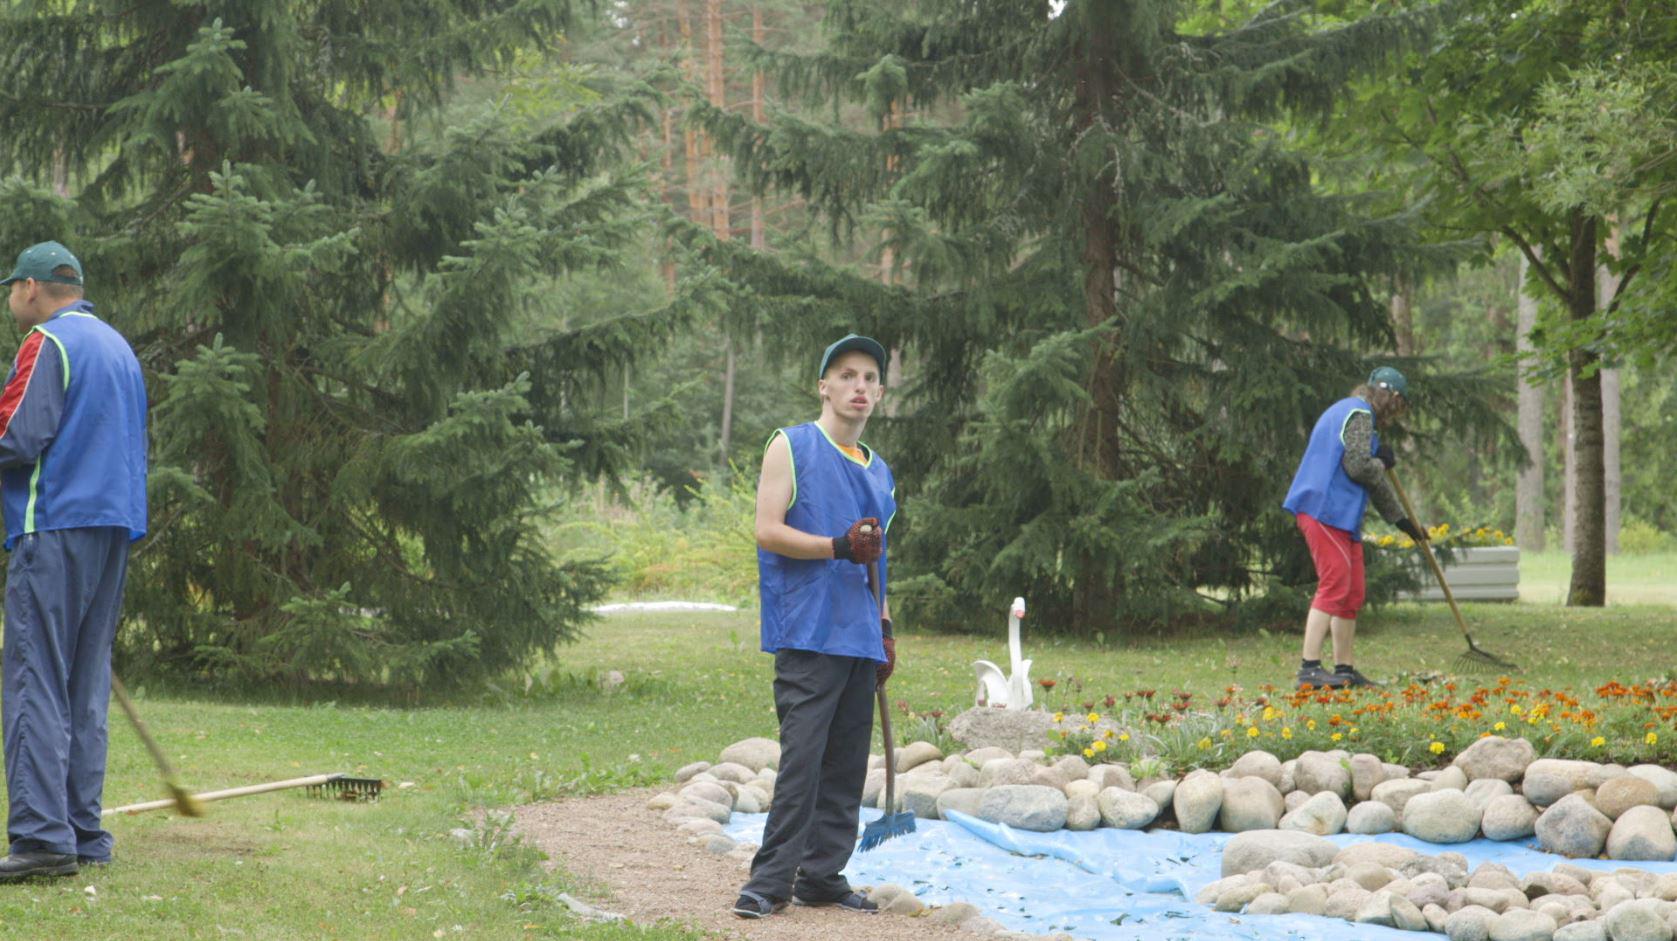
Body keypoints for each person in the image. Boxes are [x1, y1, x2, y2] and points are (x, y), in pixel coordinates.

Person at [732, 334, 896, 919]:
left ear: (880, 391)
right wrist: (835, 546)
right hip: (807, 629)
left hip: (857, 633)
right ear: (823, 386)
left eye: (870, 377)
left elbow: (879, 556)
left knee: (848, 762)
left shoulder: (880, 471)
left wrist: (885, 627)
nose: (860, 386)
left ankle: (822, 876)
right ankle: (768, 883)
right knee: (803, 759)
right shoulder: (792, 445)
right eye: (847, 375)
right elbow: (767, 529)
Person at [0, 241, 147, 881]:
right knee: (83, 686)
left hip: (55, 525)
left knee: (35, 676)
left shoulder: (47, 343)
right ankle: (83, 831)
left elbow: (16, 436)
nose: (10, 300)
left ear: (32, 288)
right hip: (111, 529)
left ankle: (40, 836)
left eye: (11, 288)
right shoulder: (119, 349)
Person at [1282, 367, 1419, 690]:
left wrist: (1402, 522)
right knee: (1335, 584)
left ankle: (1344, 669)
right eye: (1398, 406)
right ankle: (1309, 669)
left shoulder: (1360, 419)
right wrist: (1382, 462)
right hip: (1323, 509)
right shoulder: (1358, 413)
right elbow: (1358, 467)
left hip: (1344, 517)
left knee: (1352, 590)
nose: (1396, 414)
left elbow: (1373, 480)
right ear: (1391, 397)